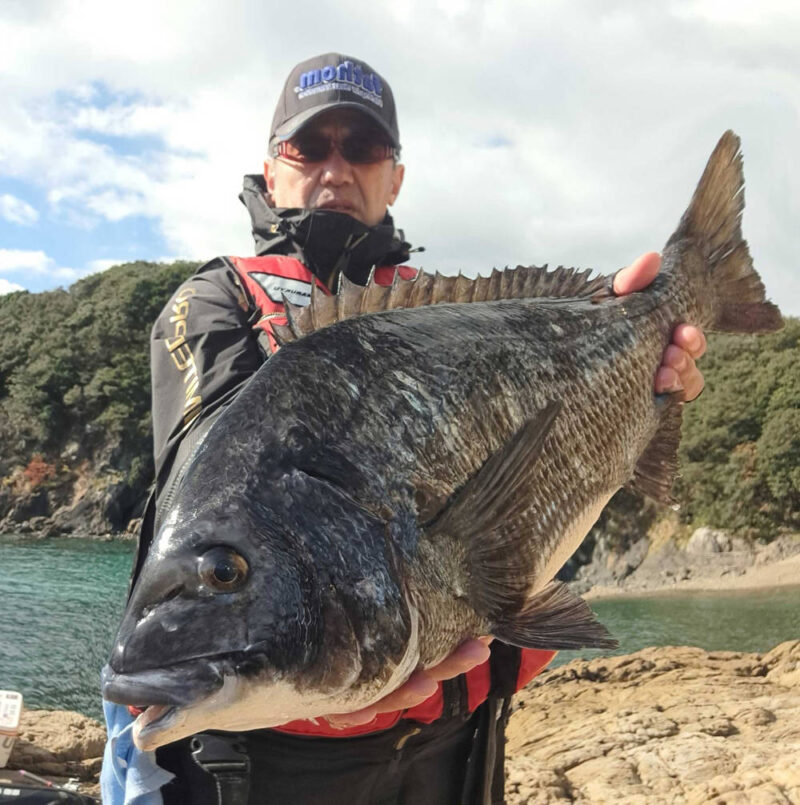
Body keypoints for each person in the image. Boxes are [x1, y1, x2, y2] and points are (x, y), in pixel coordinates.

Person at [102, 53, 707, 805]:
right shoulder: (212, 303)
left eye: (362, 148)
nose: (335, 166)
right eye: (308, 146)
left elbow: (544, 493)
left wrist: (640, 369)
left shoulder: (438, 317)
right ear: (270, 165)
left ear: (396, 176)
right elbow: (217, 481)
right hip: (261, 763)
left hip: (449, 744)